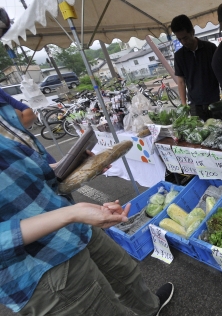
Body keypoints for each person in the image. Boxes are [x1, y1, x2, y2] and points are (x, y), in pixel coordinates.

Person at [0, 96, 174, 315]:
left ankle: (151, 309)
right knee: (104, 308)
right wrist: (71, 214)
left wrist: (73, 167)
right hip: (40, 265)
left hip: (72, 223)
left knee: (125, 273)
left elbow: (26, 176)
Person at [171, 14, 222, 121]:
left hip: (214, 101)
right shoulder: (179, 56)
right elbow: (181, 81)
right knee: (199, 134)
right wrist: (184, 104)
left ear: (192, 32)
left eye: (185, 38)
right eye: (179, 39)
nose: (183, 42)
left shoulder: (211, 48)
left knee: (220, 130)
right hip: (194, 104)